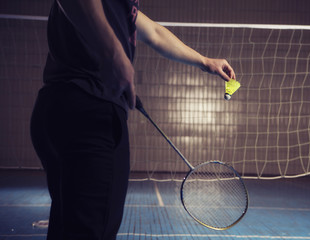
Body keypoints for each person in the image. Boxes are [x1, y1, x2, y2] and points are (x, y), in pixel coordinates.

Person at [31, 0, 236, 239]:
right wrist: (113, 53)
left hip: (56, 110)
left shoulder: (120, 6)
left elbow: (155, 33)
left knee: (67, 228)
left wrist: (205, 61)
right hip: (91, 112)